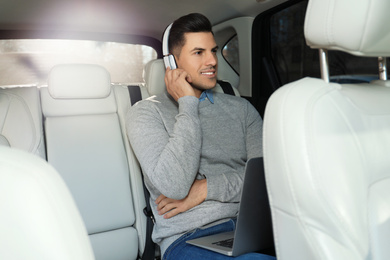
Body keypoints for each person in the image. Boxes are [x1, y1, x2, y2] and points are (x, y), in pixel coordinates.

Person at [127, 13, 275, 260]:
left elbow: (265, 180)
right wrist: (187, 104)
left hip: (254, 228)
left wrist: (204, 189)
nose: (212, 61)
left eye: (213, 51)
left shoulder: (241, 109)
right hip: (188, 238)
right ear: (172, 63)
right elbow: (174, 186)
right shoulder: (145, 113)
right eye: (198, 53)